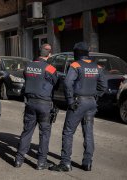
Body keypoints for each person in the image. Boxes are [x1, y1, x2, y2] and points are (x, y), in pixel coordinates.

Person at [49, 42, 107, 172]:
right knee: (88, 132)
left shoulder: (75, 65)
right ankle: (87, 163)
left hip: (78, 103)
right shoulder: (98, 67)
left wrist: (70, 101)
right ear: (87, 53)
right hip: (91, 103)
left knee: (68, 132)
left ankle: (65, 163)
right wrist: (95, 97)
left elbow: (68, 83)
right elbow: (103, 86)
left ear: (76, 53)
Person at [14, 44, 58, 170]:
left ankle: (18, 160)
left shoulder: (28, 66)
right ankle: (41, 162)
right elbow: (56, 82)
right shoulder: (50, 68)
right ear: (48, 54)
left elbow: (27, 78)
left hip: (30, 103)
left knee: (27, 131)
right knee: (44, 134)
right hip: (44, 104)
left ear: (38, 53)